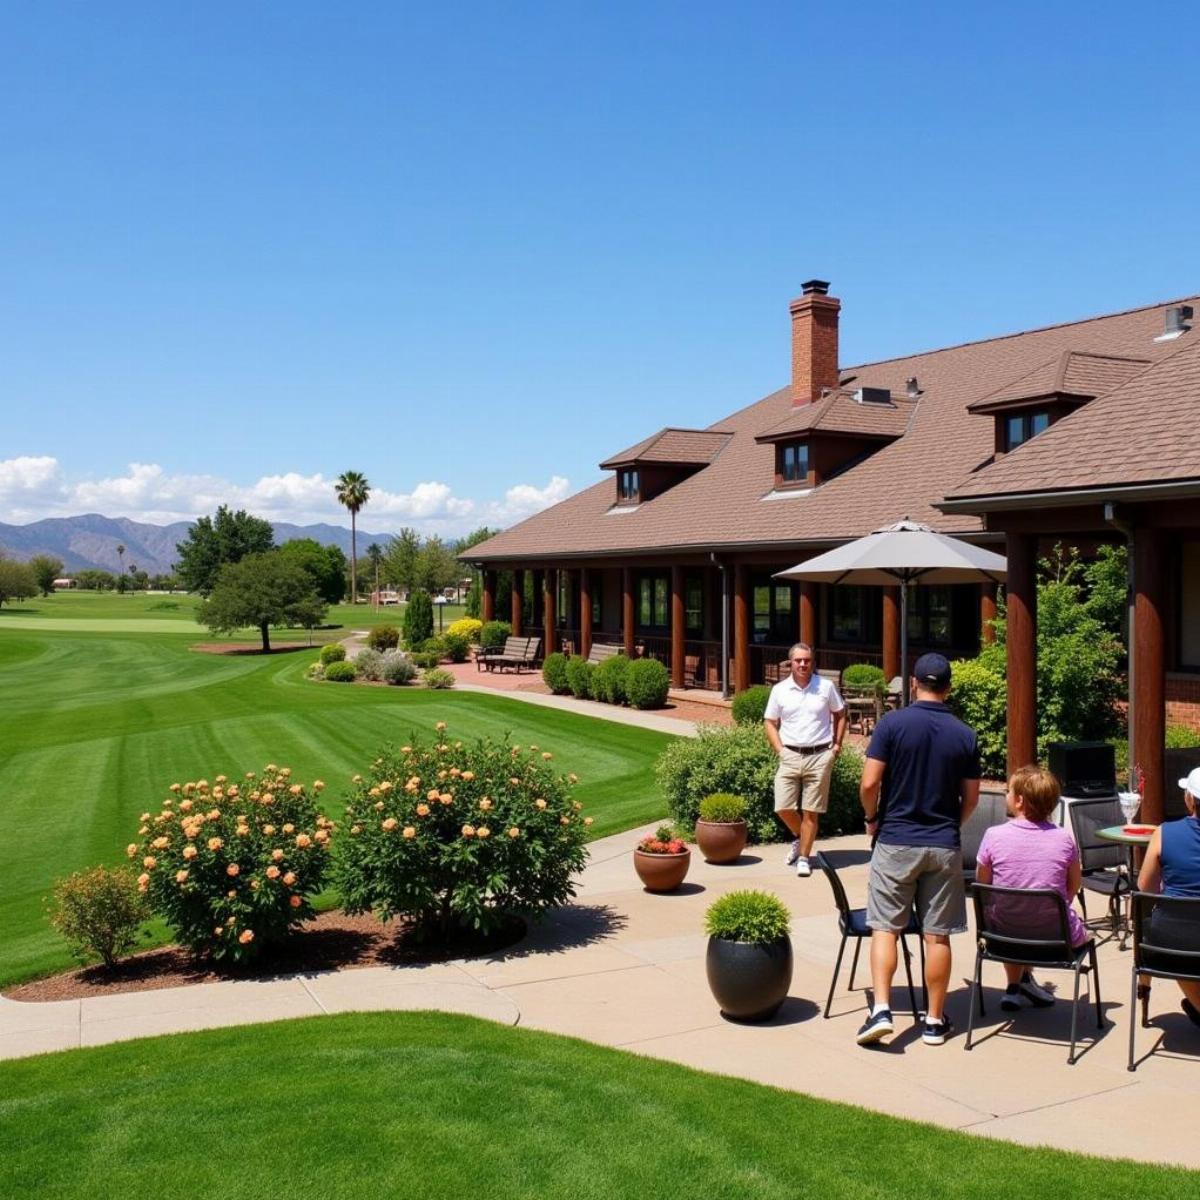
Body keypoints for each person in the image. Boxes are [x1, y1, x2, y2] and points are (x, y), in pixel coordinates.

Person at [856, 652, 980, 1047]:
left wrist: (871, 818)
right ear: (949, 687)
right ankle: (934, 1021)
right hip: (943, 844)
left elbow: (869, 783)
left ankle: (881, 1010)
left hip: (895, 840)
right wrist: (951, 827)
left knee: (885, 928)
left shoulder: (892, 724)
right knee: (937, 936)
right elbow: (972, 799)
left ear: (913, 683)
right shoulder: (965, 734)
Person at [974, 765, 1085, 1011]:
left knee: (1012, 914)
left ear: (1020, 800)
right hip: (1055, 937)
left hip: (1002, 934)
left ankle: (1016, 985)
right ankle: (1020, 983)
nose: (1006, 795)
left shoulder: (994, 835)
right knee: (1042, 917)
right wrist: (1048, 905)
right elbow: (1074, 884)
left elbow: (982, 884)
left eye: (1008, 791)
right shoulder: (1064, 838)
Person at [763, 642, 847, 878]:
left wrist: (837, 745)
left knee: (811, 811)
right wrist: (779, 749)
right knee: (782, 806)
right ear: (791, 663)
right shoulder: (779, 690)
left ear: (812, 662)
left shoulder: (826, 687)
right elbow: (769, 722)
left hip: (820, 755)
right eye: (798, 660)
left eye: (807, 660)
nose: (802, 664)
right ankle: (801, 839)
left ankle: (804, 858)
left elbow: (841, 714)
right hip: (789, 754)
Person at [1136, 767, 1200, 1027]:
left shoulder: (1164, 833)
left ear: (1189, 799)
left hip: (1169, 943)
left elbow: (1145, 887)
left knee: (1174, 936)